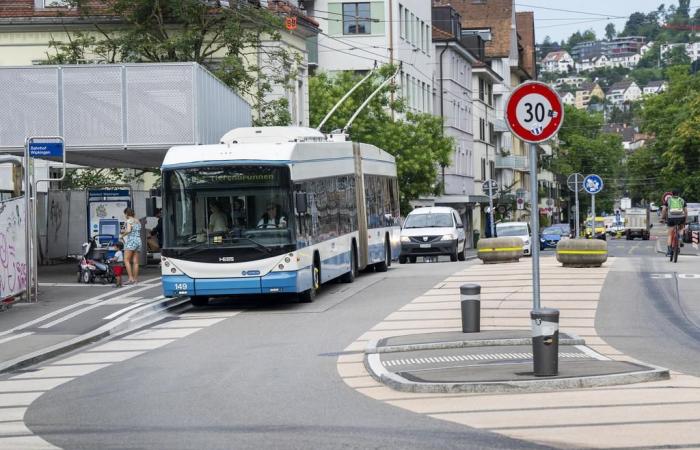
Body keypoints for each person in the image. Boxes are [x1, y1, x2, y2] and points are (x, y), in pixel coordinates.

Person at [662, 189, 687, 256]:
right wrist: (685, 219)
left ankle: (669, 251)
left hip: (671, 217)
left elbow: (664, 209)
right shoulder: (682, 200)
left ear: (672, 194)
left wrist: (663, 218)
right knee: (681, 228)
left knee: (670, 234)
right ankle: (681, 237)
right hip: (681, 217)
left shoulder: (668, 200)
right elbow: (686, 211)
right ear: (678, 194)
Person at [120, 207, 142, 285]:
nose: (124, 215)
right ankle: (135, 280)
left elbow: (129, 230)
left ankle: (130, 278)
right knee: (136, 262)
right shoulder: (138, 221)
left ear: (126, 213)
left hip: (131, 241)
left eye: (125, 214)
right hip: (138, 241)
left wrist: (122, 235)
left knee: (126, 260)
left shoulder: (129, 221)